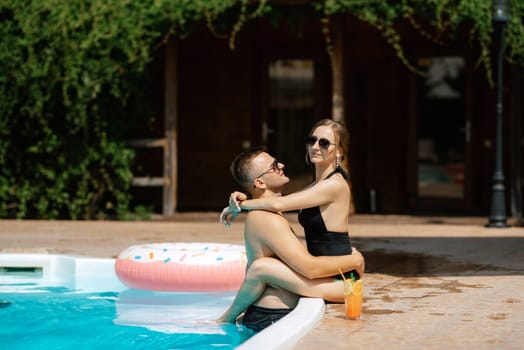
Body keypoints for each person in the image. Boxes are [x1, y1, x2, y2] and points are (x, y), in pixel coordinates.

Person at [216, 146, 364, 330]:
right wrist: (354, 260)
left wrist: (243, 202)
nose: (281, 166)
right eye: (274, 166)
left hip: (268, 315)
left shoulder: (265, 213)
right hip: (270, 318)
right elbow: (310, 269)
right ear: (260, 183)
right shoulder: (266, 219)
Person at [222, 118, 359, 278]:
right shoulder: (319, 185)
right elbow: (287, 199)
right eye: (312, 140)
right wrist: (245, 197)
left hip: (338, 273)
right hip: (324, 268)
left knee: (261, 270)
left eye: (324, 143)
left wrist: (241, 205)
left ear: (339, 151)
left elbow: (279, 204)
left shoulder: (334, 185)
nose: (315, 147)